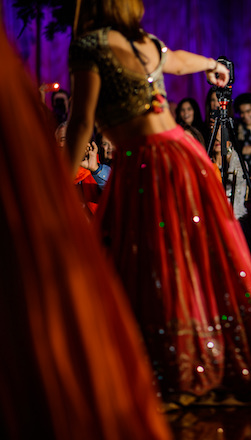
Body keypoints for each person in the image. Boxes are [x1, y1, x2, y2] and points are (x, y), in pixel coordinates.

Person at [65, 0, 251, 406]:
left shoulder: (90, 45)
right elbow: (176, 60)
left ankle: (165, 361)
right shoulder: (143, 41)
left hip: (147, 162)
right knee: (192, 255)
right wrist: (212, 65)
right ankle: (206, 356)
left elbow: (79, 121)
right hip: (183, 155)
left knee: (151, 258)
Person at [0, 20, 171, 439]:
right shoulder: (57, 177)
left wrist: (97, 171)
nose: (62, 147)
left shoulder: (94, 175)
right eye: (56, 141)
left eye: (67, 141)